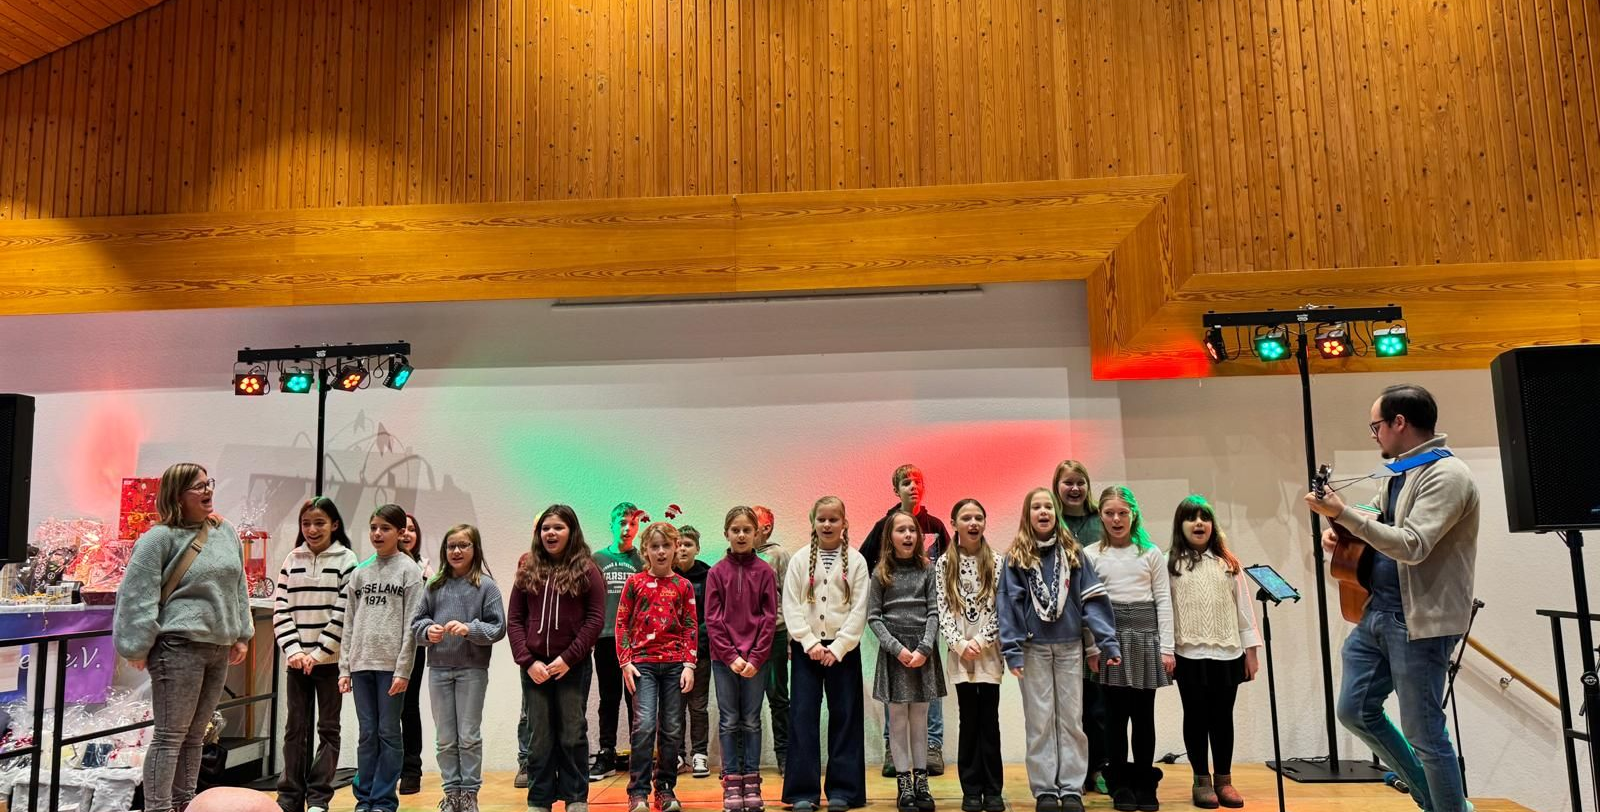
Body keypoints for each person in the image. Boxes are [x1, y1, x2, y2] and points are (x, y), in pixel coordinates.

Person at [1305, 383, 1479, 812]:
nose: (1374, 434)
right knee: (1354, 711)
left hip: (1419, 622)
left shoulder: (1447, 475)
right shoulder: (1403, 472)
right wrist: (1341, 530)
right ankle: (1435, 801)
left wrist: (1344, 515)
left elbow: (1412, 545)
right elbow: (1374, 518)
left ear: (1399, 422)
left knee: (1425, 734)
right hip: (1377, 612)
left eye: (1376, 425)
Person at [113, 463, 253, 812]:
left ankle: (186, 804)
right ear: (177, 496)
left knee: (196, 735)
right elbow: (137, 595)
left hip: (218, 647)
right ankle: (158, 808)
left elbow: (238, 586)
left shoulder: (225, 531)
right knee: (169, 736)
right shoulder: (158, 539)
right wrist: (136, 645)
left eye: (209, 483)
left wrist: (241, 633)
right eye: (198, 487)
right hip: (177, 647)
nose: (208, 491)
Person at [998, 488, 1120, 812]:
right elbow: (1008, 606)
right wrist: (1011, 650)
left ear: (1056, 514)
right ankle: (1045, 791)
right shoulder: (1016, 557)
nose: (1043, 512)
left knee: (1071, 721)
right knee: (1039, 722)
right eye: (1036, 507)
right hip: (1032, 649)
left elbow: (1093, 599)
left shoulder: (1074, 553)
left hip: (1069, 648)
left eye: (1048, 507)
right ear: (1027, 515)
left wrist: (1107, 641)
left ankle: (1071, 789)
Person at [510, 505, 606, 812]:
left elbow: (595, 619)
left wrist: (568, 658)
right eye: (545, 528)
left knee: (572, 734)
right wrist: (528, 661)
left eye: (558, 527)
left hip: (572, 668)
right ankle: (539, 800)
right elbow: (515, 619)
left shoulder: (588, 569)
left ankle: (576, 798)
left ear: (571, 531)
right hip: (534, 668)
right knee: (538, 736)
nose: (550, 533)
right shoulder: (528, 568)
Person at [1166, 496, 1259, 809]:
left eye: (1204, 518)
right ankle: (1201, 780)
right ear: (1180, 525)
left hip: (1227, 653)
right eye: (1191, 518)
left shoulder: (1228, 563)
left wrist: (1251, 651)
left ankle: (1224, 779)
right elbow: (1165, 610)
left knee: (1222, 718)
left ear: (1212, 525)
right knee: (1195, 717)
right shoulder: (1170, 564)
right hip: (1188, 654)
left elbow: (1244, 609)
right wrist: (1166, 650)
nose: (1198, 523)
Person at [1085, 486, 1174, 812]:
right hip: (1110, 639)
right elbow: (1088, 604)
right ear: (1101, 516)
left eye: (1123, 513)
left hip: (1146, 638)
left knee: (1143, 715)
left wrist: (1167, 648)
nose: (1116, 519)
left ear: (1133, 514)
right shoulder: (1091, 554)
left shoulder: (1150, 553)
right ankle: (1120, 783)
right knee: (1114, 716)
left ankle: (1144, 783)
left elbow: (1163, 600)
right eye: (1109, 513)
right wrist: (1092, 648)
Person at [781, 497, 871, 812]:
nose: (828, 525)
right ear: (813, 522)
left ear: (844, 523)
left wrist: (839, 646)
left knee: (846, 717)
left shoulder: (856, 562)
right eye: (822, 519)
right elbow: (791, 605)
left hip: (843, 652)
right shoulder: (799, 560)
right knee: (802, 716)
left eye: (834, 519)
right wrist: (809, 642)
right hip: (807, 650)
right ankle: (802, 791)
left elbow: (860, 608)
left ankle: (844, 790)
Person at [859, 466, 950, 777]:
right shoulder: (883, 526)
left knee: (927, 694)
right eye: (906, 482)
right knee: (896, 697)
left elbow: (948, 566)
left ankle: (932, 745)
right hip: (894, 634)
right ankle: (892, 746)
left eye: (918, 482)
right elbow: (862, 562)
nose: (913, 486)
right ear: (895, 489)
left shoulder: (935, 526)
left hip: (926, 629)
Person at [273, 497, 360, 812]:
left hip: (330, 663)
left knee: (328, 729)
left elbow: (344, 612)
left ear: (334, 525)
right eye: (306, 523)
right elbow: (281, 610)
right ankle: (289, 797)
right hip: (297, 662)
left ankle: (319, 798)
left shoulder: (347, 560)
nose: (312, 529)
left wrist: (320, 653)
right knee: (294, 729)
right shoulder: (291, 559)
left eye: (320, 523)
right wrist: (295, 651)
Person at [412, 524, 506, 812]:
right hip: (439, 670)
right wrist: (427, 631)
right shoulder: (433, 585)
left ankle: (469, 795)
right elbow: (416, 624)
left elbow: (498, 628)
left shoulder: (486, 586)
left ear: (475, 549)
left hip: (472, 670)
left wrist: (469, 629)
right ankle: (451, 792)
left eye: (463, 545)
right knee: (445, 738)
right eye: (451, 546)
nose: (456, 551)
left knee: (468, 736)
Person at [339, 504, 425, 812]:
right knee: (367, 733)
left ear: (400, 533)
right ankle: (364, 798)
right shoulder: (360, 572)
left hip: (390, 667)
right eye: (374, 527)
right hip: (361, 665)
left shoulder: (409, 571)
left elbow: (412, 625)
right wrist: (344, 667)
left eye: (385, 528)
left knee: (388, 733)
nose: (377, 533)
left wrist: (403, 670)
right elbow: (349, 622)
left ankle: (384, 800)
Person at [616, 522, 700, 812]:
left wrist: (689, 664)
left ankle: (665, 788)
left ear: (676, 548)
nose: (661, 551)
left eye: (666, 545)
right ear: (646, 551)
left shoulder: (683, 586)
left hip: (676, 665)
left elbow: (690, 625)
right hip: (643, 666)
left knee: (672, 728)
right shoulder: (634, 583)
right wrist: (625, 661)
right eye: (655, 546)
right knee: (644, 725)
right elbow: (622, 623)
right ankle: (637, 791)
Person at [868, 510, 946, 812]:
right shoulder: (881, 572)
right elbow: (874, 617)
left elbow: (934, 611)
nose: (908, 535)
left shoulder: (928, 569)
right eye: (901, 530)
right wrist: (897, 649)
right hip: (895, 653)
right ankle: (904, 783)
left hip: (923, 651)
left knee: (920, 719)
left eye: (912, 530)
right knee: (898, 718)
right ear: (890, 536)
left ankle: (921, 781)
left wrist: (925, 647)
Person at [706, 507, 779, 812]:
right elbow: (712, 619)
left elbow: (769, 618)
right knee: (728, 720)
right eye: (735, 530)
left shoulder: (765, 572)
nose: (741, 535)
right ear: (726, 533)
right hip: (725, 661)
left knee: (751, 720)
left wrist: (756, 657)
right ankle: (732, 781)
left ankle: (751, 781)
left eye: (747, 530)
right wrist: (731, 656)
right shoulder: (716, 573)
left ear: (756, 534)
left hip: (755, 661)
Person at [935, 499, 1005, 812]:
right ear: (954, 523)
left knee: (989, 720)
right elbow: (942, 609)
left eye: (978, 517)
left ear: (985, 523)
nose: (973, 523)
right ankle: (971, 790)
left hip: (989, 654)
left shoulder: (998, 561)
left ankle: (993, 789)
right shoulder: (943, 564)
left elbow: (1002, 608)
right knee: (969, 719)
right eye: (966, 517)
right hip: (960, 653)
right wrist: (960, 644)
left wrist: (980, 640)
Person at [1052, 460, 1108, 794]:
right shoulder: (1050, 520)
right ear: (1056, 486)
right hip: (1061, 626)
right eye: (1068, 482)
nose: (1074, 489)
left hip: (1096, 624)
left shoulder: (1101, 520)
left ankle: (1098, 767)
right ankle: (1071, 769)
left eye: (1080, 482)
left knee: (1098, 705)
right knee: (1066, 707)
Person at [592, 502, 645, 780]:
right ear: (612, 525)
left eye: (632, 523)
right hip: (605, 638)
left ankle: (639, 753)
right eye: (622, 523)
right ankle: (607, 752)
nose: (627, 528)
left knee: (635, 698)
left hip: (636, 640)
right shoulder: (597, 559)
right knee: (609, 697)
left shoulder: (643, 560)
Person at [753, 506, 792, 775]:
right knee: (747, 700)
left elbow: (789, 597)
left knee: (778, 696)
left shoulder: (778, 555)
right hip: (747, 637)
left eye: (752, 523)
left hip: (775, 634)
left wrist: (790, 638)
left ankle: (785, 754)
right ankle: (745, 758)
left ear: (766, 528)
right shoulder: (737, 556)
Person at [673, 526, 713, 778]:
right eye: (678, 544)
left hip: (701, 654)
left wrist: (695, 643)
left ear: (697, 548)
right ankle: (676, 755)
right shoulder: (666, 575)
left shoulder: (709, 576)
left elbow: (712, 616)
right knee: (674, 708)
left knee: (698, 706)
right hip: (671, 655)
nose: (682, 549)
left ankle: (700, 754)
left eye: (688, 544)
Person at [397, 512, 431, 795]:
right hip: (383, 648)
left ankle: (411, 770)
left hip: (414, 647)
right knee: (383, 712)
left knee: (409, 707)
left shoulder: (426, 570)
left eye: (411, 529)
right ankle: (387, 768)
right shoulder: (380, 566)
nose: (406, 534)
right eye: (402, 529)